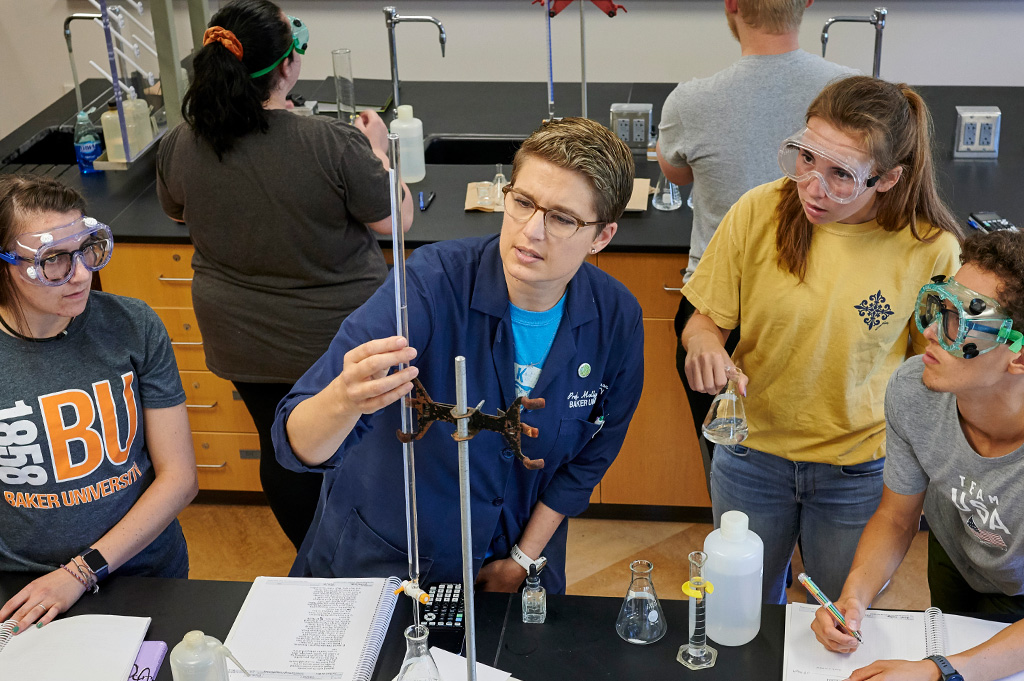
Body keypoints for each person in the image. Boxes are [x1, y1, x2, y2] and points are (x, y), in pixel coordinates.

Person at [271, 117, 644, 594]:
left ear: (602, 236)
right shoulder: (427, 285)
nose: (531, 231)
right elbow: (295, 445)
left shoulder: (615, 319)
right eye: (523, 202)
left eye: (562, 218)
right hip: (389, 561)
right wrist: (344, 401)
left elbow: (592, 455)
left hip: (515, 566)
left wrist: (523, 559)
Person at [681, 75, 964, 604]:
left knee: (840, 610)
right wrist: (704, 344)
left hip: (858, 470)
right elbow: (705, 321)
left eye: (841, 175)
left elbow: (931, 375)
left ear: (887, 178)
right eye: (806, 158)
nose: (812, 185)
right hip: (751, 456)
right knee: (743, 609)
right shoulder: (758, 210)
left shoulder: (930, 249)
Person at [156, 0, 413, 549]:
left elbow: (178, 211)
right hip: (336, 342)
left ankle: (311, 555)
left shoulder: (182, 141)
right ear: (288, 67)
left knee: (282, 445)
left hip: (243, 340)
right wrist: (379, 153)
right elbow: (397, 220)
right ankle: (363, 561)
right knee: (357, 447)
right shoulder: (331, 142)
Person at [810, 231, 1024, 681]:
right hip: (958, 548)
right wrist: (855, 595)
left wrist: (937, 670)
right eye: (937, 307)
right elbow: (896, 517)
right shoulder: (915, 390)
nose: (928, 332)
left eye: (959, 322)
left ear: (1018, 356)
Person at [0, 175, 198, 631]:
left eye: (87, 248)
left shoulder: (132, 326)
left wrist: (80, 572)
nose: (83, 273)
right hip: (24, 591)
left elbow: (180, 478)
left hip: (144, 572)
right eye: (53, 260)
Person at [658, 0, 856, 451]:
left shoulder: (690, 102)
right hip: (815, 310)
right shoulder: (852, 93)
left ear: (731, 5)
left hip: (722, 308)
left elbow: (676, 173)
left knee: (729, 467)